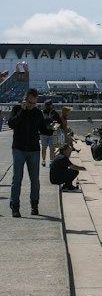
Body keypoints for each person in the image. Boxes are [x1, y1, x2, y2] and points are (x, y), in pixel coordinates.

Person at [8, 87, 55, 216]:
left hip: (33, 150)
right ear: (25, 99)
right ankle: (15, 206)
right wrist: (22, 111)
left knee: (35, 179)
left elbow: (43, 130)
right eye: (30, 102)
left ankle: (34, 205)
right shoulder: (17, 109)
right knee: (17, 178)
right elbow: (12, 124)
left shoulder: (37, 113)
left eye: (35, 103)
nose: (32, 105)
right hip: (18, 148)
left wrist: (53, 128)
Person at [39, 100, 58, 166]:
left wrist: (53, 126)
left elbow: (59, 123)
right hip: (47, 133)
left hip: (48, 133)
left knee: (48, 148)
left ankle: (48, 161)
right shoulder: (53, 113)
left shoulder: (53, 113)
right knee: (48, 148)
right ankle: (47, 161)